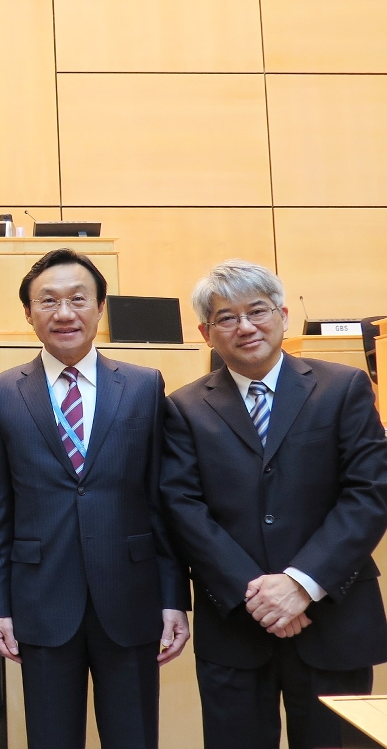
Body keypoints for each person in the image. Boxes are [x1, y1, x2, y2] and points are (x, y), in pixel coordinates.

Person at [161, 260, 387, 749]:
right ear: (205, 332)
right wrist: (258, 595)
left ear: (283, 314)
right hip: (237, 628)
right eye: (226, 317)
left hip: (334, 617)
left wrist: (300, 584)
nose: (245, 327)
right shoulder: (184, 407)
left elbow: (369, 493)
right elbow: (183, 506)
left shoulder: (343, 387)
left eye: (257, 311)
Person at [0, 248, 190, 749]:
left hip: (131, 595)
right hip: (40, 599)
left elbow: (162, 501)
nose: (64, 313)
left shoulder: (143, 386)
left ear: (100, 308)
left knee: (134, 737)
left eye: (78, 299)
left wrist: (173, 598)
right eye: (48, 301)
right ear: (28, 313)